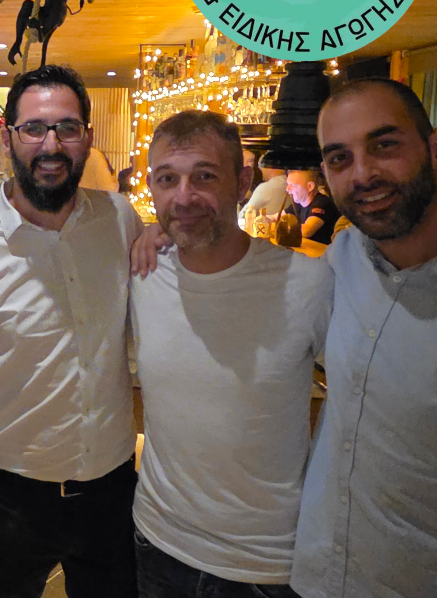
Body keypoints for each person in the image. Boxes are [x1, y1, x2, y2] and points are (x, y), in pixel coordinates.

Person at [0, 65, 142, 598]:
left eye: (68, 128)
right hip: (11, 503)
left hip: (114, 495)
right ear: (8, 139)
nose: (52, 144)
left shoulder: (120, 220)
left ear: (87, 137)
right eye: (34, 128)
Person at [130, 110, 331, 598]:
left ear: (242, 183)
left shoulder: (307, 282)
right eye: (167, 179)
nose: (184, 197)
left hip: (263, 562)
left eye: (204, 176)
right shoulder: (142, 273)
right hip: (156, 541)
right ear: (151, 187)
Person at [291, 78, 437, 598]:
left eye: (384, 145)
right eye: (339, 159)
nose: (363, 173)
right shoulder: (343, 259)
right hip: (316, 577)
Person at [284, 170, 339, 244]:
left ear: (310, 186)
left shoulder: (322, 203)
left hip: (324, 250)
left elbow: (306, 231)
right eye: (288, 184)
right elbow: (276, 217)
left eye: (293, 185)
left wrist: (281, 227)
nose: (287, 189)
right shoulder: (299, 203)